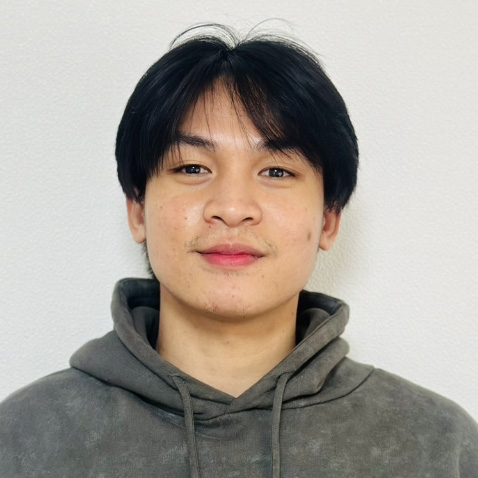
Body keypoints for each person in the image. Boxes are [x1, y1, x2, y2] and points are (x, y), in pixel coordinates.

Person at [1, 24, 477, 478]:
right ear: (138, 211)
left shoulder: (439, 445)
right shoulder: (23, 439)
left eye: (277, 171)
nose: (231, 208)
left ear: (329, 219)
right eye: (192, 168)